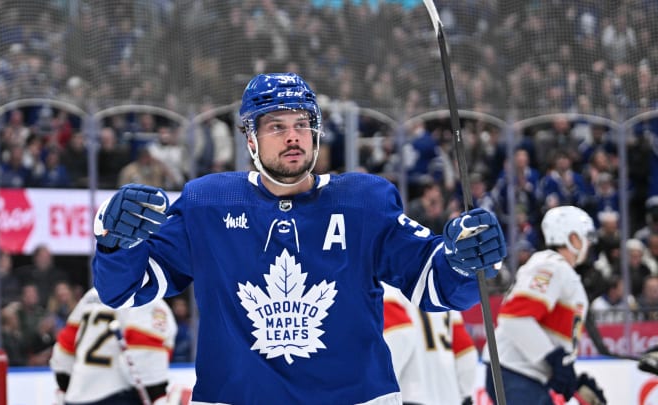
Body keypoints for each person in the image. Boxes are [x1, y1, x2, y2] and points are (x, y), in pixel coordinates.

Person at [90, 72, 506, 404]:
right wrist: (116, 241)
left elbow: (438, 285)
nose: (293, 136)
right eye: (276, 126)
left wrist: (464, 259)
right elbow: (123, 291)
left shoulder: (365, 202)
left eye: (302, 124)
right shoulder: (208, 203)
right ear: (250, 139)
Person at [484, 205, 605, 405]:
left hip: (524, 375)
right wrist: (555, 359)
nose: (588, 245)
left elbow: (548, 333)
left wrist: (570, 378)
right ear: (573, 238)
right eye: (586, 237)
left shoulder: (558, 269)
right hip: (515, 373)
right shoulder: (550, 265)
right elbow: (515, 319)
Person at [49, 287, 177, 405]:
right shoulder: (147, 299)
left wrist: (65, 387)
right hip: (116, 395)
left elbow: (64, 350)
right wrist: (157, 396)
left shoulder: (93, 294)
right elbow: (144, 356)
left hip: (75, 396)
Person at [382, 282, 477, 405]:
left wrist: (384, 387)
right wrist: (465, 395)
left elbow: (399, 334)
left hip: (410, 395)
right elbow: (465, 352)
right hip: (450, 398)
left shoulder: (387, 285)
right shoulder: (440, 290)